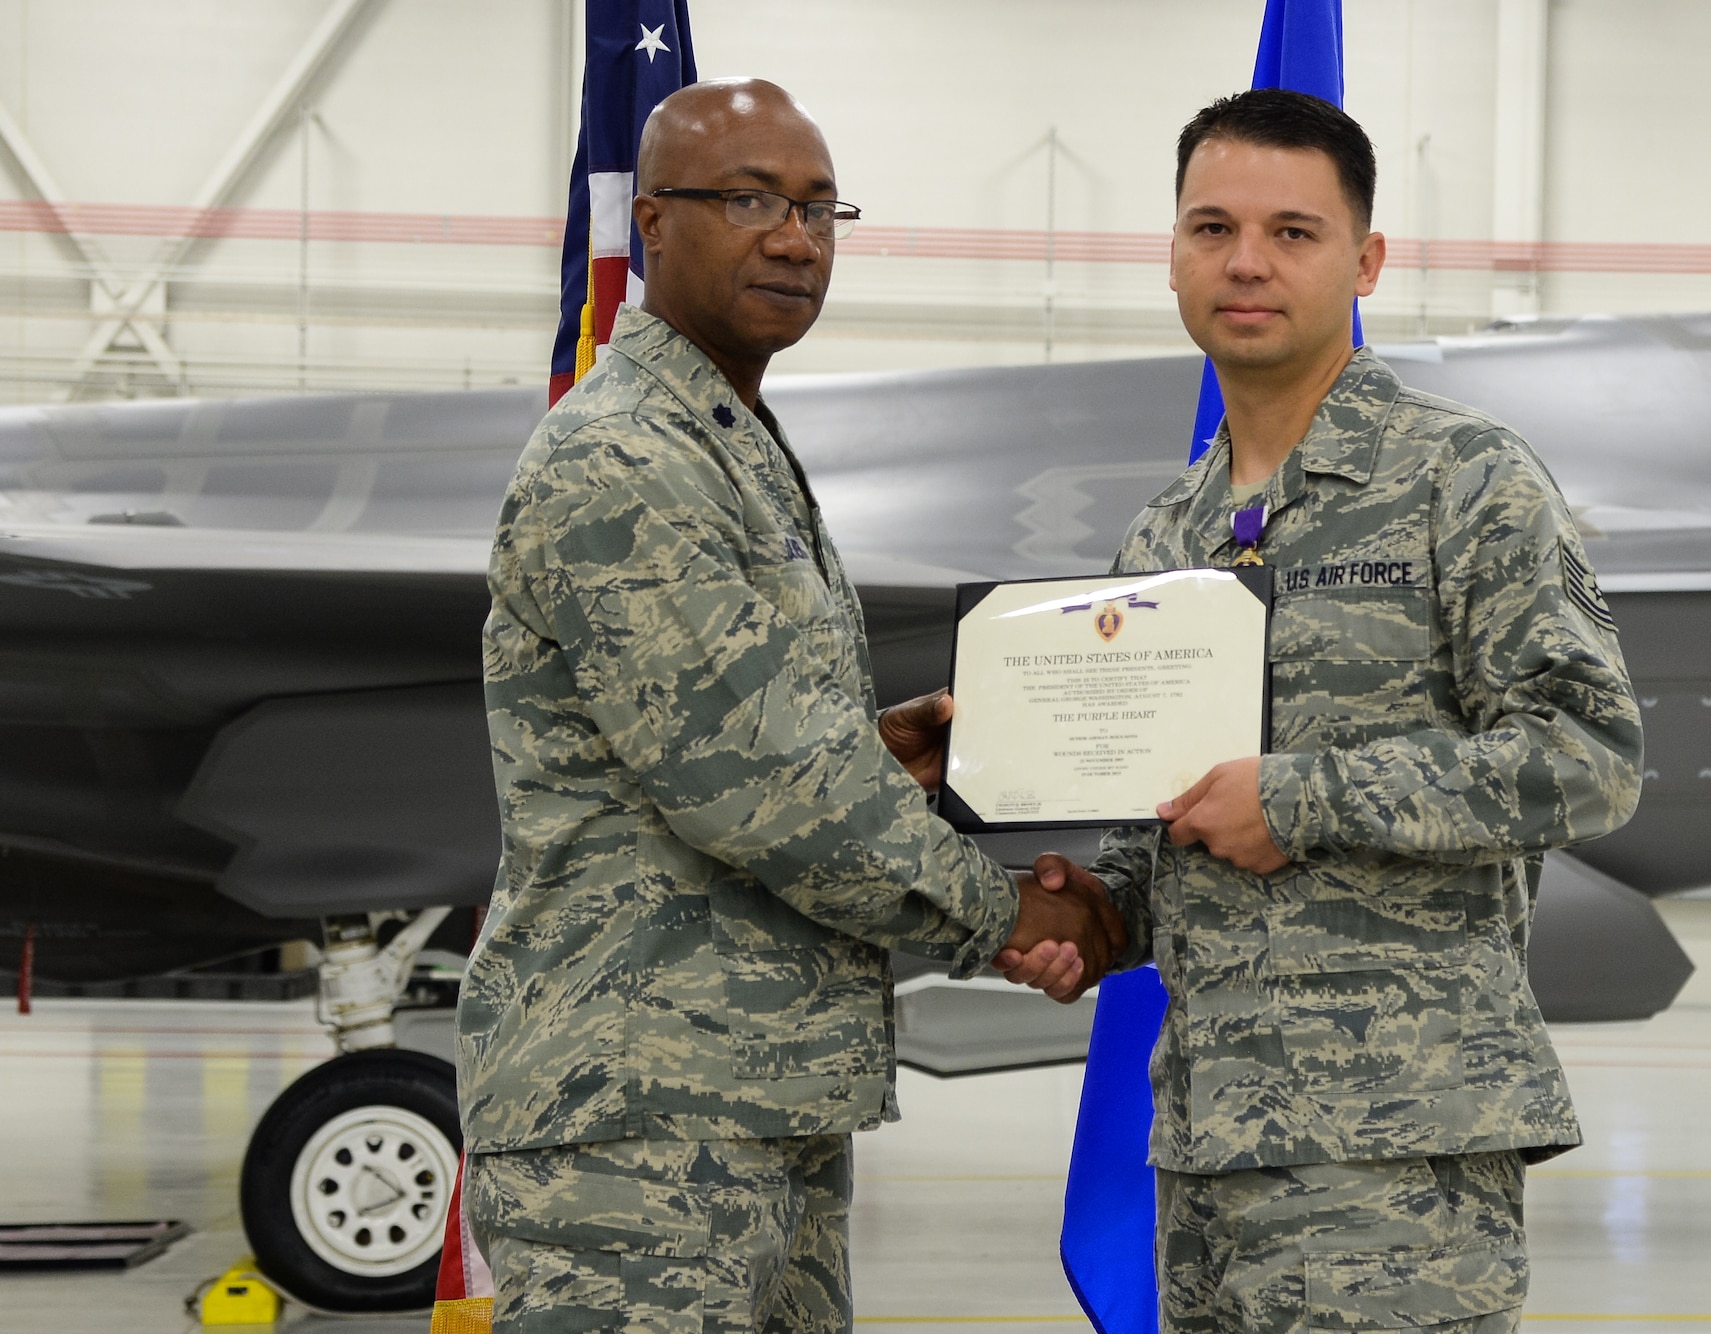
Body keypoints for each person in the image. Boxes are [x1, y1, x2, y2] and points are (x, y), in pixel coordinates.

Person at [459, 78, 1123, 1333]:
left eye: (821, 208)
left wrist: (876, 753)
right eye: (749, 199)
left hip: (755, 1101)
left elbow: (741, 748)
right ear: (650, 222)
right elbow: (763, 788)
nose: (794, 237)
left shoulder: (733, 438)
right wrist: (1011, 914)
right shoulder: (626, 455)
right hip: (637, 1123)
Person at [1001, 89, 1644, 1333]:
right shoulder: (1166, 531)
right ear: (1172, 251)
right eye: (1211, 227)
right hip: (1202, 1146)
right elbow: (1173, 822)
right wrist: (1093, 916)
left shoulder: (1462, 481)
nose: (1245, 261)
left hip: (1393, 1158)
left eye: (1293, 231)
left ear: (1366, 259)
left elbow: (1588, 756)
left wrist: (1298, 798)